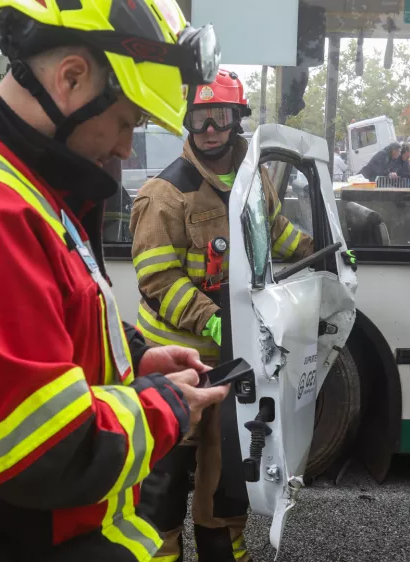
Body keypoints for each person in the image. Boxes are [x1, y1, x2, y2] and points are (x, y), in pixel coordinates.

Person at [0, 1, 230, 561]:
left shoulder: (16, 184)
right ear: (71, 78)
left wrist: (133, 358)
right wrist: (166, 407)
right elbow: (41, 448)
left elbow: (46, 315)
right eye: (127, 120)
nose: (127, 147)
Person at [129, 69, 313, 562]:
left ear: (237, 118)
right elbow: (157, 279)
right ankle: (160, 553)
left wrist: (323, 251)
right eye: (200, 119)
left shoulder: (253, 178)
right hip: (177, 361)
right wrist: (211, 318)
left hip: (237, 357)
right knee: (165, 474)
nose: (210, 130)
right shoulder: (165, 193)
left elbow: (276, 231)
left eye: (220, 117)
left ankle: (222, 548)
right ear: (186, 122)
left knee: (229, 466)